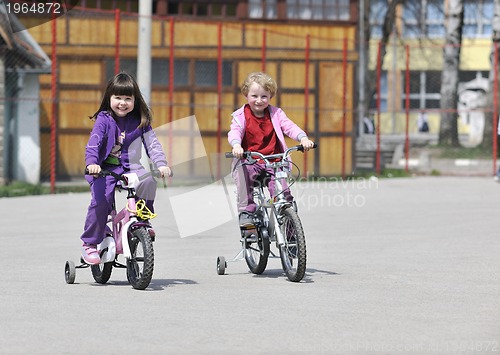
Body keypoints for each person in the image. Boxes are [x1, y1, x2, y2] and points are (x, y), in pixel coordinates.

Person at [80, 72, 172, 265]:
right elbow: (94, 143)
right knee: (101, 201)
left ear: (134, 100)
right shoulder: (104, 119)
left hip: (130, 167)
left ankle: (143, 219)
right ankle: (89, 243)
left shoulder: (140, 120)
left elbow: (152, 143)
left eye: (127, 98)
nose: (122, 103)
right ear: (109, 98)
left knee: (147, 181)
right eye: (118, 98)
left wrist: (161, 163)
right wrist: (92, 163)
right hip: (104, 168)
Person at [228, 72, 315, 227]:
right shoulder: (241, 116)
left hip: (273, 161)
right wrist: (236, 145)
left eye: (264, 97)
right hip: (250, 160)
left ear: (270, 97)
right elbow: (235, 131)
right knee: (243, 175)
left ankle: (291, 231)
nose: (259, 101)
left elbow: (289, 127)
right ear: (246, 95)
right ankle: (246, 212)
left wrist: (303, 138)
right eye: (254, 96)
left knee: (283, 196)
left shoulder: (276, 114)